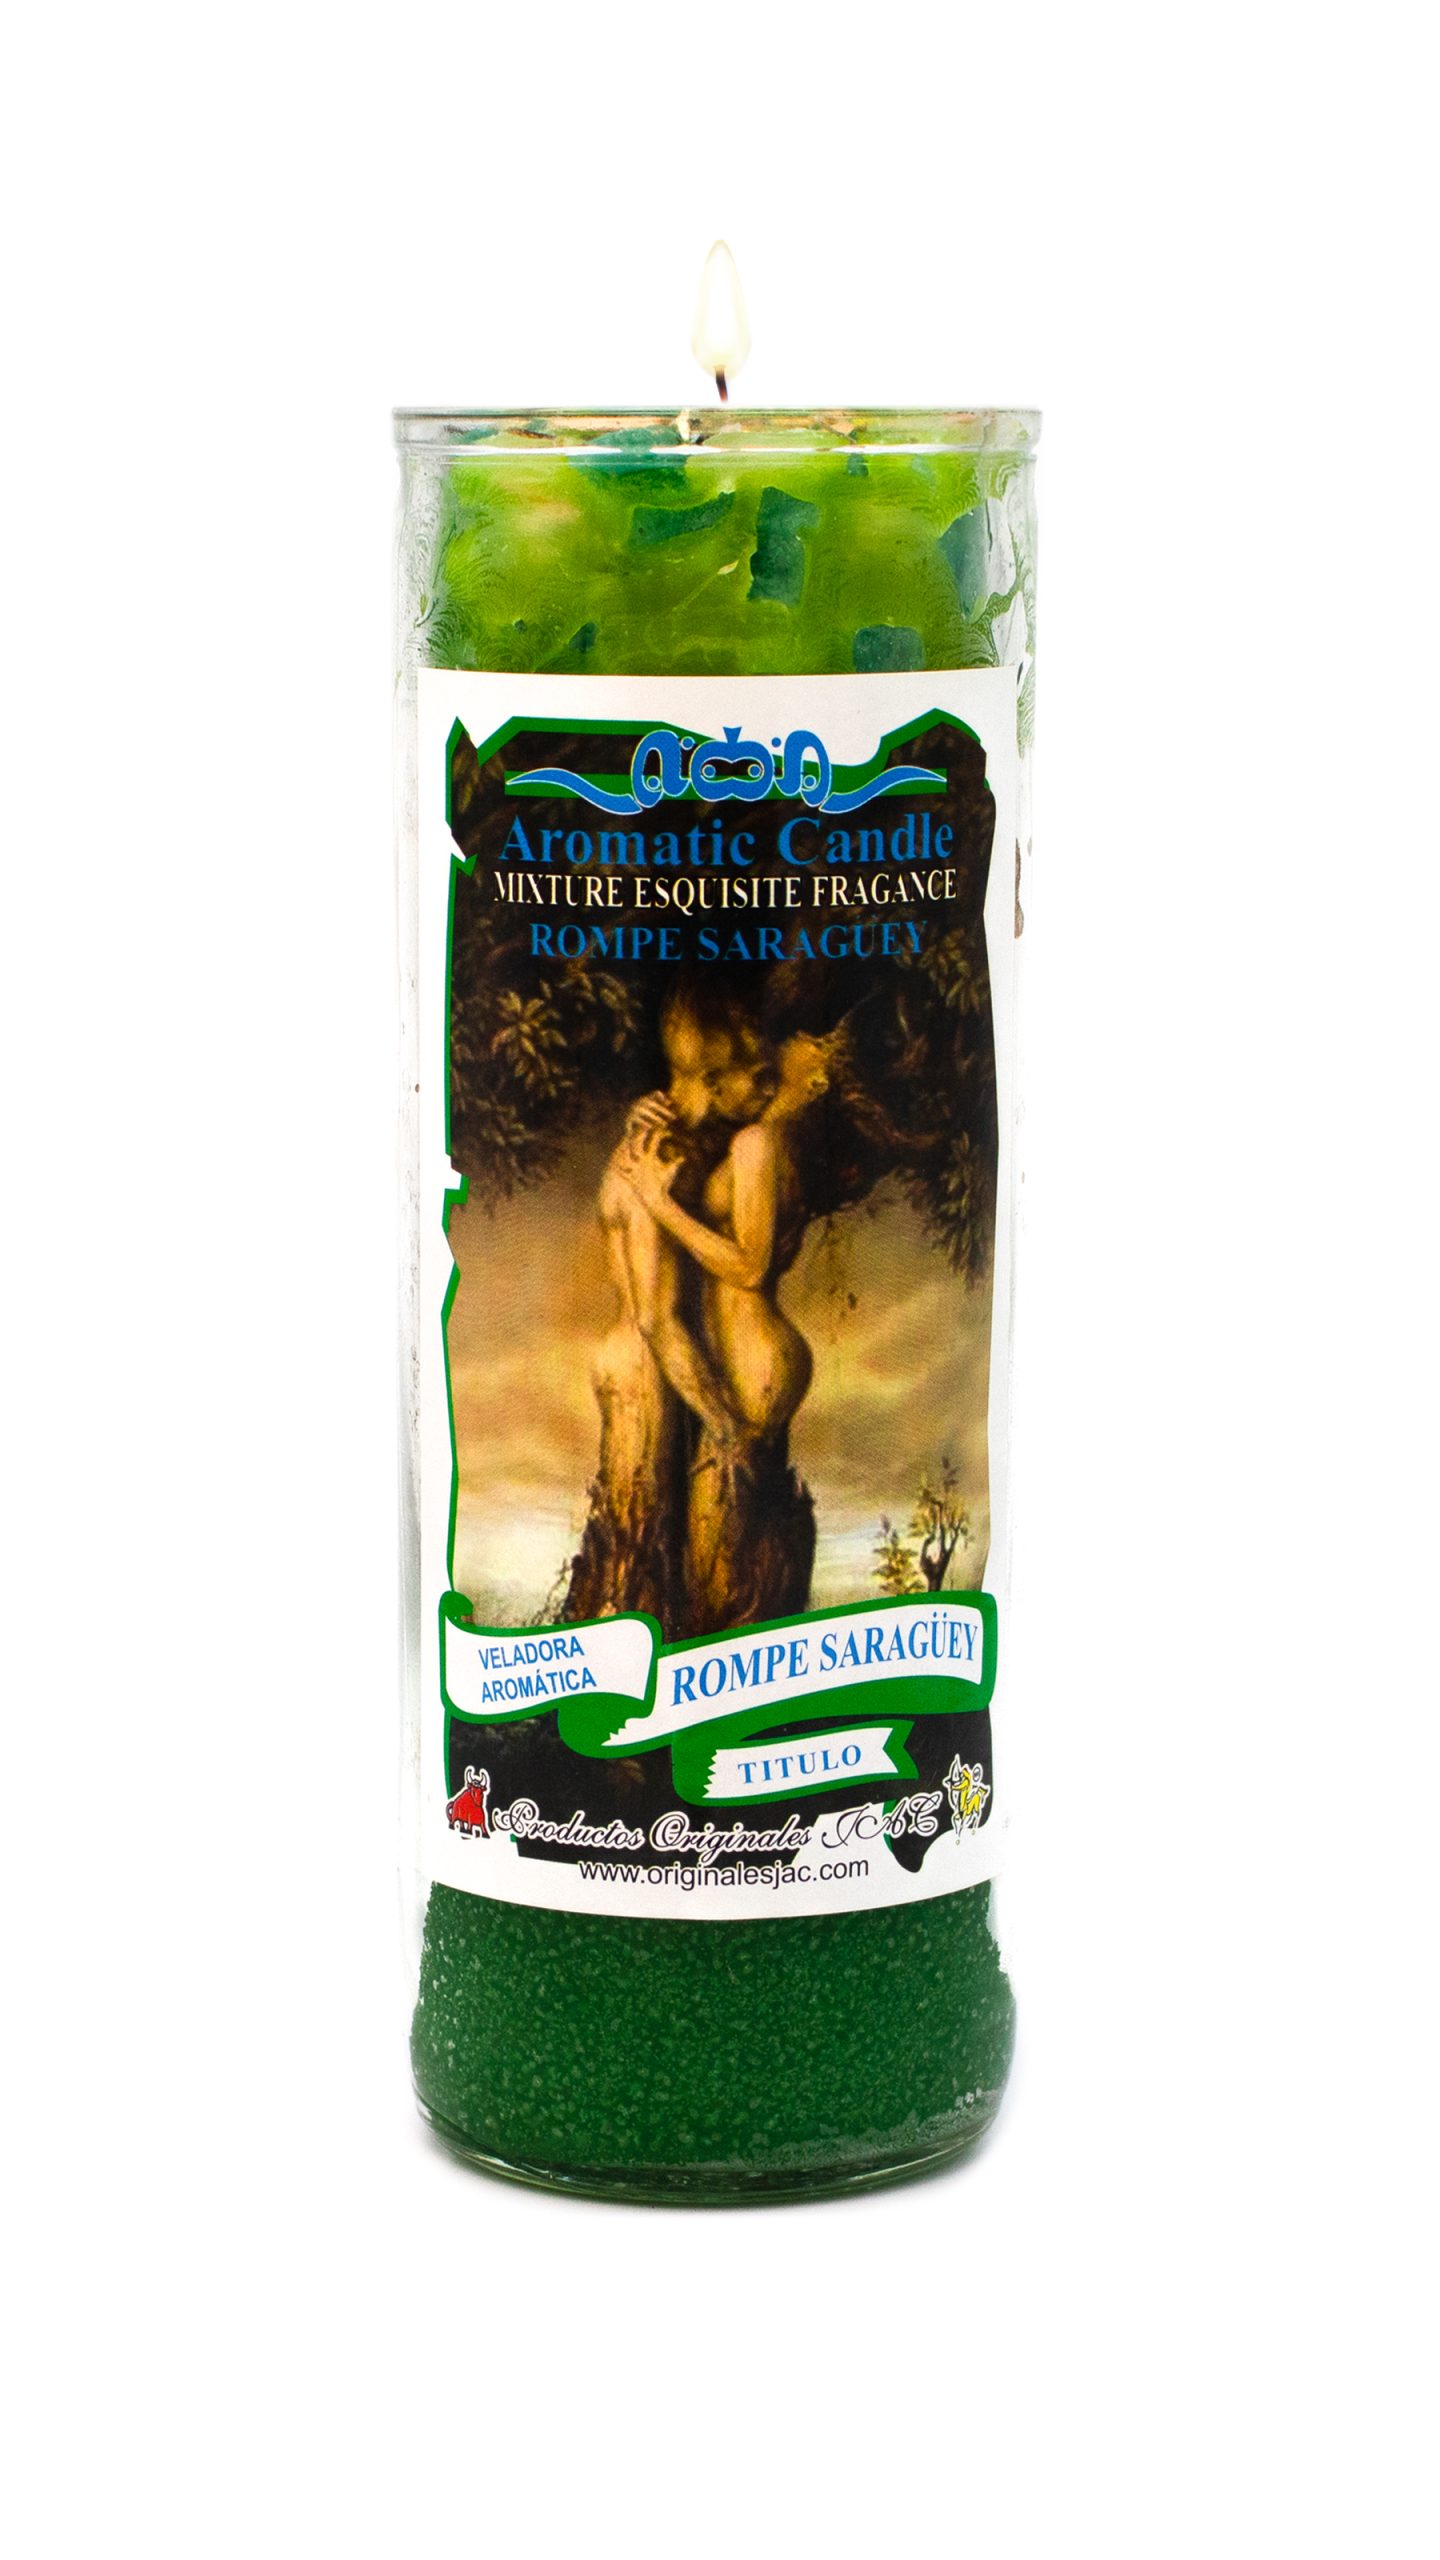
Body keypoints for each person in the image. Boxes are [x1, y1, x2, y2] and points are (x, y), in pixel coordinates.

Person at [563, 990, 775, 1626]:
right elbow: (657, 1319)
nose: (763, 1091)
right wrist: (725, 1424)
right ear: (711, 1080)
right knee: (635, 1564)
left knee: (646, 1555)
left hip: (645, 1360)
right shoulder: (655, 1157)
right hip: (645, 1366)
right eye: (752, 1076)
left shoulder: (658, 1139)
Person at [620, 1027, 843, 1629]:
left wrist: (658, 1204)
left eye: (804, 1041)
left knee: (723, 1577)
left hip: (755, 1363)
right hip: (751, 1360)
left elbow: (748, 1266)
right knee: (733, 1558)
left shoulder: (758, 1142)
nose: (773, 1050)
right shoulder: (752, 1140)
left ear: (816, 1077)